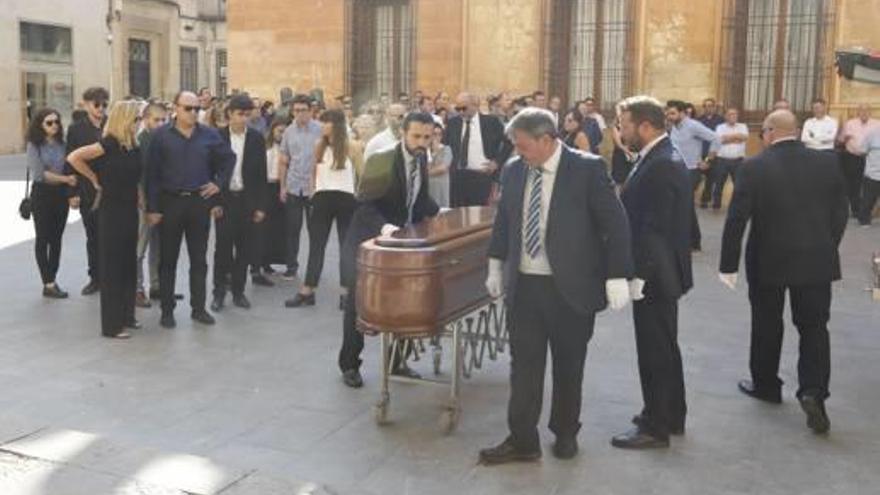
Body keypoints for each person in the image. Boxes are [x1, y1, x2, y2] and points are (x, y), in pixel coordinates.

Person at [479, 108, 632, 465]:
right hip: (526, 288)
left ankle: (565, 433)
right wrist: (494, 266)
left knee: (569, 364)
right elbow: (504, 222)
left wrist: (617, 274)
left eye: (523, 146)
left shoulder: (587, 169)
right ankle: (522, 440)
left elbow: (616, 223)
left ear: (547, 140)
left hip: (571, 288)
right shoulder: (515, 170)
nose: (518, 153)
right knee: (524, 366)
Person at [719, 110, 848, 434]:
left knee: (766, 323)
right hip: (816, 261)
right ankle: (814, 392)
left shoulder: (754, 166)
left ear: (771, 131)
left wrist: (728, 265)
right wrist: (826, 244)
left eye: (762, 131)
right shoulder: (827, 163)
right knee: (815, 328)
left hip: (768, 261)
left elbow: (737, 220)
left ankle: (766, 385)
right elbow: (840, 212)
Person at [611, 96, 694, 449]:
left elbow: (655, 227)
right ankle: (671, 413)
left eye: (626, 125)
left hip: (655, 274)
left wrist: (639, 276)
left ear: (645, 126)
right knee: (665, 345)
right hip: (662, 270)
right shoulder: (660, 156)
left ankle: (655, 425)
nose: (622, 131)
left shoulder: (661, 163)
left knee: (655, 349)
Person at [338, 112, 440, 389]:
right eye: (416, 136)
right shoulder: (382, 158)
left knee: (404, 302)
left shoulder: (421, 158)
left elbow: (417, 198)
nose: (422, 142)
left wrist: (440, 212)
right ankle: (349, 364)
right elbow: (365, 203)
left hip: (400, 244)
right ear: (403, 134)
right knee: (358, 306)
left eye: (427, 137)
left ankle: (397, 361)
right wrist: (384, 229)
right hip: (368, 241)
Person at [145, 91, 235, 329]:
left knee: (199, 259)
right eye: (188, 108)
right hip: (170, 202)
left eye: (197, 109)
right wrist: (152, 208)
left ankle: (199, 308)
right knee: (168, 260)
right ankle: (167, 310)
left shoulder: (210, 135)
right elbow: (151, 174)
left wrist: (218, 184)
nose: (194, 113)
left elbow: (228, 159)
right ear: (176, 108)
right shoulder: (160, 136)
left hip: (198, 203)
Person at [67, 100, 144, 339]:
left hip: (130, 209)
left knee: (128, 264)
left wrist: (140, 197)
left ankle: (127, 316)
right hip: (111, 210)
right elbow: (74, 157)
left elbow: (136, 177)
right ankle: (112, 325)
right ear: (125, 119)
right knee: (113, 266)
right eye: (137, 119)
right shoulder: (107, 143)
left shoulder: (132, 144)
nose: (139, 123)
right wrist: (93, 179)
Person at [286, 109, 361, 308]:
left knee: (347, 247)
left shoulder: (351, 147)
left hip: (346, 198)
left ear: (335, 124)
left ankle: (347, 292)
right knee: (316, 245)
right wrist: (313, 193)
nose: (322, 125)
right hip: (322, 198)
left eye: (325, 122)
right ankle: (308, 290)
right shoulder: (319, 145)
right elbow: (313, 171)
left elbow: (361, 174)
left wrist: (359, 197)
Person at [211, 94, 268, 312]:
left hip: (247, 200)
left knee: (244, 249)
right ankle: (218, 293)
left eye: (247, 114)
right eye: (239, 114)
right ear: (229, 114)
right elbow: (211, 171)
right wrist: (214, 203)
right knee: (222, 250)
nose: (243, 119)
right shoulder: (217, 137)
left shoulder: (256, 138)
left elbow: (261, 174)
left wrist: (261, 206)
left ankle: (238, 291)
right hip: (225, 200)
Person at [27, 108, 76, 298]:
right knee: (43, 237)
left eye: (56, 122)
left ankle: (51, 280)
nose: (54, 125)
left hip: (60, 196)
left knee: (56, 239)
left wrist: (67, 184)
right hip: (42, 195)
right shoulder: (34, 145)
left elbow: (69, 167)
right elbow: (40, 174)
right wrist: (65, 180)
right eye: (49, 122)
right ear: (40, 124)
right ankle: (47, 281)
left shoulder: (62, 144)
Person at [65, 86, 109, 296]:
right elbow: (69, 161)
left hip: (111, 188)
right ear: (86, 104)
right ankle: (95, 278)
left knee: (111, 235)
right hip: (87, 189)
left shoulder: (112, 124)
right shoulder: (76, 129)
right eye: (97, 104)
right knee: (93, 236)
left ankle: (111, 276)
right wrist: (71, 193)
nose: (101, 108)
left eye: (104, 104)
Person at [277, 94, 322, 281]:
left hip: (315, 188)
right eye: (296, 111)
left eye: (303, 110)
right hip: (294, 187)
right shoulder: (288, 132)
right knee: (292, 230)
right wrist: (282, 186)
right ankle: (291, 267)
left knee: (316, 232)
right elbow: (283, 160)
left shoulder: (320, 130)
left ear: (311, 111)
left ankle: (314, 270)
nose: (300, 114)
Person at [666, 99, 720, 251]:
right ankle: (690, 241)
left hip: (691, 170)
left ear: (683, 113)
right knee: (683, 205)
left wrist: (708, 160)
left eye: (673, 113)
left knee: (684, 204)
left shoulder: (693, 125)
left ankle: (693, 242)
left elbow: (715, 138)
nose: (669, 116)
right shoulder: (674, 126)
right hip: (677, 169)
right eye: (668, 113)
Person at [443, 93, 508, 206]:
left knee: (479, 215)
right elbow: (444, 144)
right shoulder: (453, 123)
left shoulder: (491, 122)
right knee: (457, 214)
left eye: (464, 108)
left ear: (475, 105)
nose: (461, 112)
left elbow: (509, 142)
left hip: (481, 176)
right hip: (458, 176)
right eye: (458, 109)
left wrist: (497, 162)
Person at [134, 102, 168, 307]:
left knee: (159, 247)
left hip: (162, 201)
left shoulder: (163, 139)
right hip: (144, 203)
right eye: (157, 120)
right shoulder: (141, 141)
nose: (161, 123)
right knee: (139, 248)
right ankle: (137, 289)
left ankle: (156, 285)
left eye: (164, 119)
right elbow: (140, 176)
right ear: (146, 119)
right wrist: (144, 204)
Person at [251, 119, 289, 284]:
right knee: (261, 228)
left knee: (275, 229)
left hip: (278, 187)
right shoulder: (264, 147)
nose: (281, 134)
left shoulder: (286, 148)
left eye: (284, 131)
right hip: (264, 187)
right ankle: (256, 266)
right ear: (272, 130)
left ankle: (267, 263)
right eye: (279, 131)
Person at [838, 104, 879, 216]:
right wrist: (844, 138)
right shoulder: (850, 123)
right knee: (853, 185)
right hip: (853, 158)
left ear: (870, 112)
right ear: (858, 112)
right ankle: (856, 210)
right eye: (861, 111)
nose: (864, 113)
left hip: (871, 159)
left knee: (870, 185)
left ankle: (868, 211)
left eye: (866, 111)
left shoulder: (877, 124)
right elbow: (840, 140)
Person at [711, 107, 749, 209]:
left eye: (735, 114)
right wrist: (736, 137)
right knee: (718, 184)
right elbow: (719, 140)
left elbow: (744, 137)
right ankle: (716, 205)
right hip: (722, 160)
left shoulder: (743, 126)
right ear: (726, 116)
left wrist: (728, 138)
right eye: (730, 114)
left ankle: (738, 206)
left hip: (738, 161)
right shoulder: (720, 127)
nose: (733, 116)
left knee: (739, 185)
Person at [697, 98, 726, 208]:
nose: (708, 108)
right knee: (696, 178)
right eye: (706, 106)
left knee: (711, 178)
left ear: (714, 107)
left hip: (714, 153)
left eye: (711, 106)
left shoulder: (720, 120)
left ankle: (705, 200)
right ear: (703, 108)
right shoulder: (699, 120)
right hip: (701, 152)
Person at [858, 125, 880, 226]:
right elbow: (862, 150)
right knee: (868, 199)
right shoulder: (872, 133)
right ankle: (864, 220)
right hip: (872, 174)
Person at [427, 122, 452, 207]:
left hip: (441, 190)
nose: (437, 137)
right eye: (434, 134)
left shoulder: (446, 150)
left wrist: (424, 174)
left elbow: (442, 168)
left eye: (439, 134)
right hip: (427, 191)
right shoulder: (424, 151)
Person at [610, 118, 636, 188]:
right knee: (619, 180)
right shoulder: (616, 128)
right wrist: (628, 152)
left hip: (631, 155)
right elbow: (618, 144)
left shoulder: (632, 128)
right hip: (620, 155)